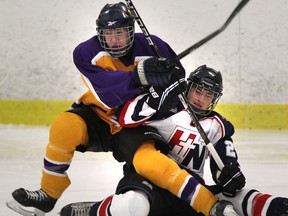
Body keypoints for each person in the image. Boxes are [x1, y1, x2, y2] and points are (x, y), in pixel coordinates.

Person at [7, 2, 186, 215]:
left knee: (146, 169)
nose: (114, 39)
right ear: (99, 33)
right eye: (108, 33)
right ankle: (48, 193)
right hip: (100, 117)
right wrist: (139, 75)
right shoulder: (86, 52)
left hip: (138, 122)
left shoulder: (153, 46)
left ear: (131, 31)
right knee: (65, 126)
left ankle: (102, 208)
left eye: (119, 32)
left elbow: (178, 80)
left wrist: (170, 77)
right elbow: (105, 93)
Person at [60, 65, 288, 216]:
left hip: (191, 192)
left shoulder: (218, 126)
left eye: (208, 95)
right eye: (198, 90)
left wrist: (229, 175)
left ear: (214, 99)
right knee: (131, 206)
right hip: (149, 184)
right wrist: (156, 99)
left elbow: (224, 165)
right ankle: (97, 209)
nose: (200, 98)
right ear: (188, 88)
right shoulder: (165, 107)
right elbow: (126, 119)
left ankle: (281, 208)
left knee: (238, 197)